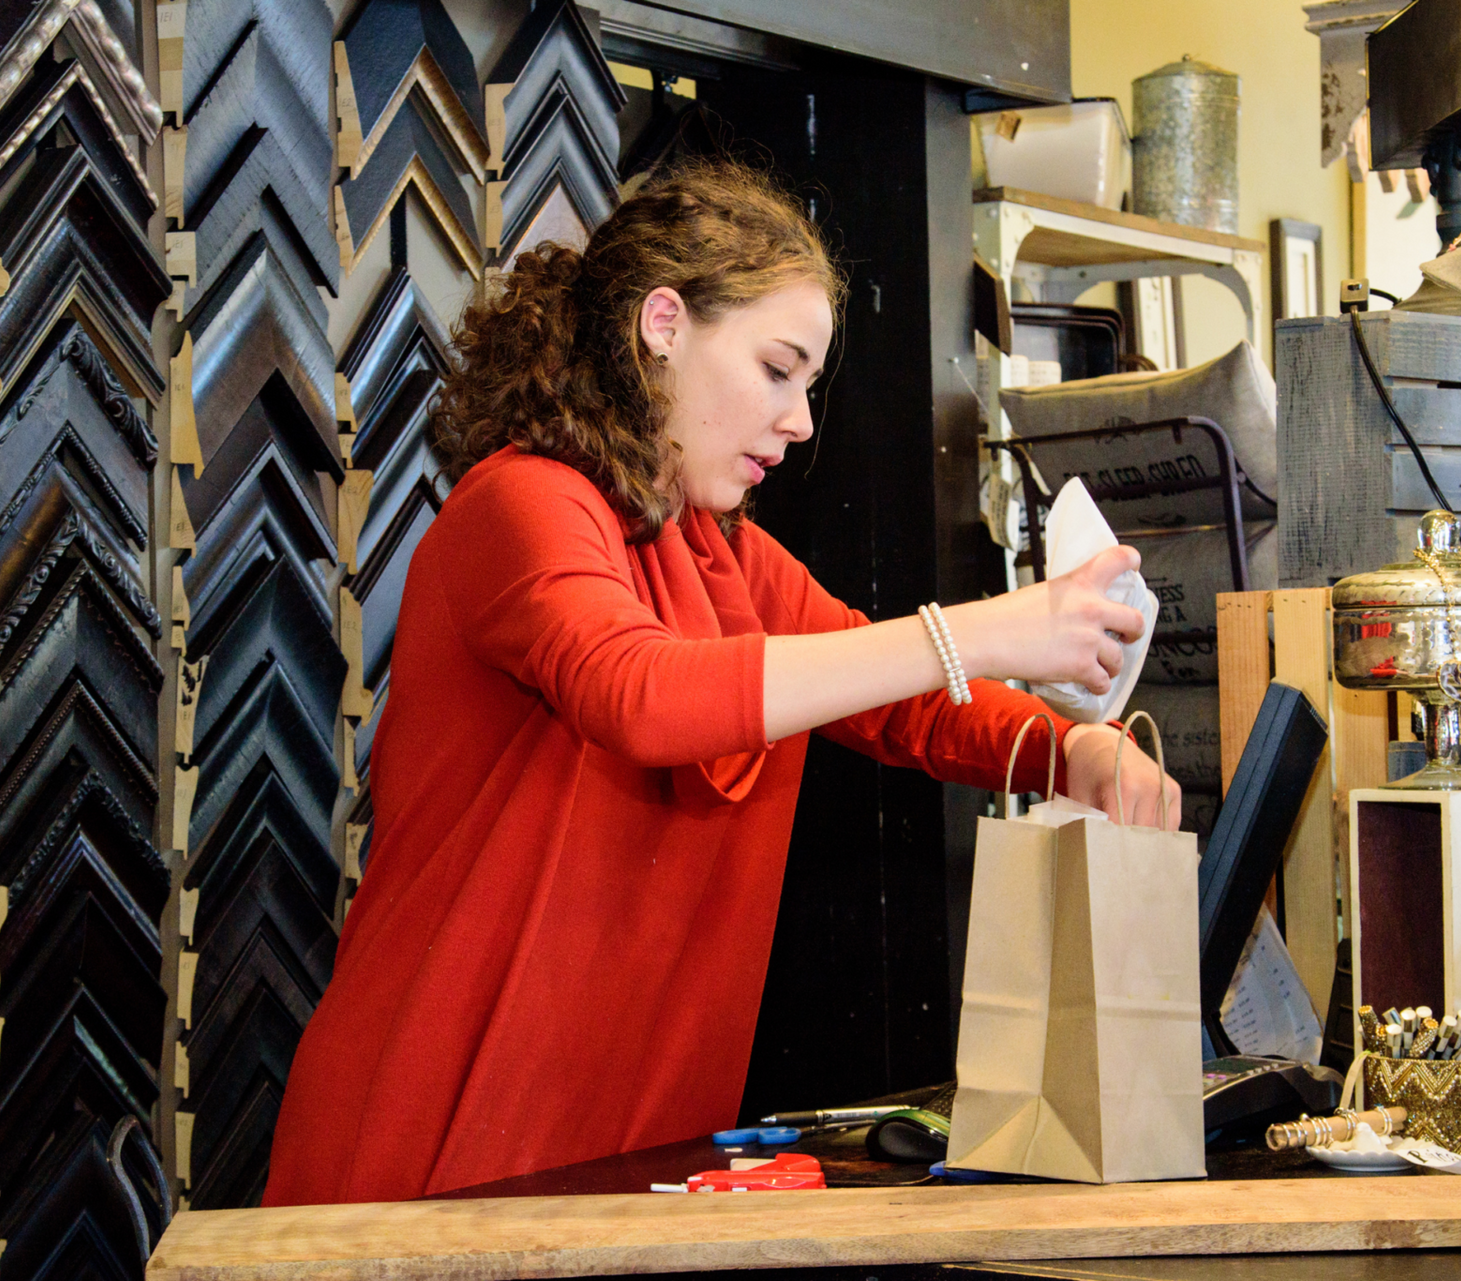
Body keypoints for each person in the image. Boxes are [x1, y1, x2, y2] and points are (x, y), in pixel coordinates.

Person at [262, 159, 1179, 1207]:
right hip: (436, 1138)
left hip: (616, 1153)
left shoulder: (721, 552)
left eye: (809, 387)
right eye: (778, 369)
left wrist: (1069, 748)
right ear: (664, 322)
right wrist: (994, 629)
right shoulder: (519, 507)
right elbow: (640, 696)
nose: (797, 421)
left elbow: (901, 698)